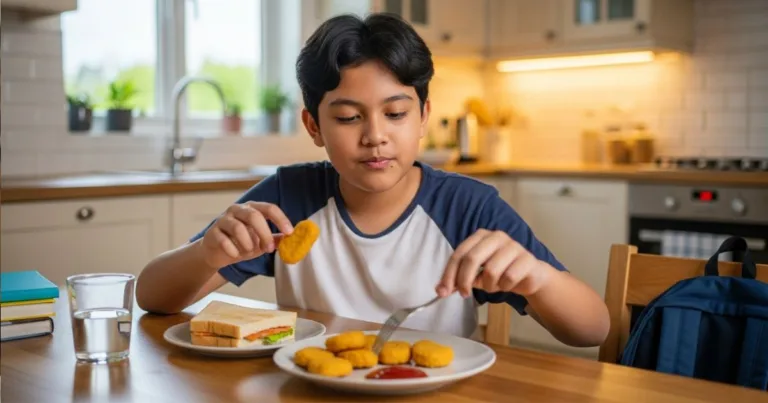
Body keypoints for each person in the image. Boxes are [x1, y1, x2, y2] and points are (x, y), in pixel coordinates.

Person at [136, 13, 610, 347]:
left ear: (423, 116)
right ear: (314, 127)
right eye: (348, 118)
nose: (375, 137)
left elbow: (591, 331)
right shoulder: (289, 197)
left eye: (396, 113)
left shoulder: (468, 208)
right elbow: (151, 298)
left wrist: (536, 277)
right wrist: (208, 253)